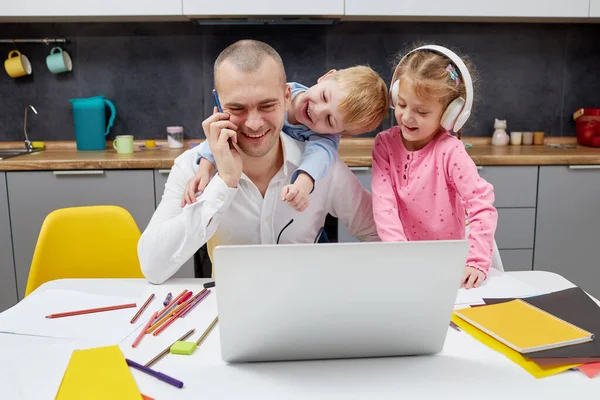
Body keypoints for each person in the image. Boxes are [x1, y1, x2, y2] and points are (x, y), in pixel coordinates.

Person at [139, 39, 379, 284]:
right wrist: (224, 182)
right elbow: (153, 267)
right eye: (237, 108)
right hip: (226, 312)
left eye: (267, 105)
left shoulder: (324, 166)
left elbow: (377, 234)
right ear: (218, 104)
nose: (254, 124)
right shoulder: (192, 167)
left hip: (307, 311)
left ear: (287, 97)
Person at [371, 44, 498, 289]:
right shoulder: (384, 145)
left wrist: (476, 261)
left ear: (450, 115)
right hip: (401, 262)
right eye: (402, 104)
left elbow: (481, 206)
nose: (407, 117)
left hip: (446, 264)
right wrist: (400, 256)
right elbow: (384, 205)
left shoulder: (451, 152)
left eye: (421, 111)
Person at [181, 65, 388, 212]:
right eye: (324, 96)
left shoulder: (325, 138)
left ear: (340, 133)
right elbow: (224, 127)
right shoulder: (273, 92)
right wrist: (204, 169)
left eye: (329, 120)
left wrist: (302, 186)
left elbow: (319, 157)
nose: (317, 110)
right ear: (325, 77)